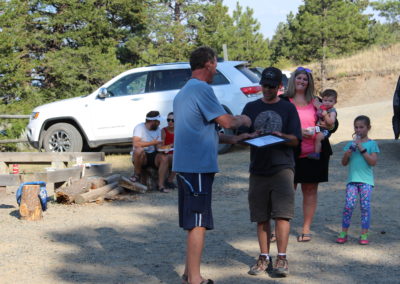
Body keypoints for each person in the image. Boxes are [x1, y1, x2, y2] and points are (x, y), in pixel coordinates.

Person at [173, 46, 252, 284]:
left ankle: (189, 273)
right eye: (216, 64)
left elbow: (203, 130)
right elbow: (226, 120)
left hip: (187, 165)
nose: (216, 69)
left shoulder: (184, 91)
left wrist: (235, 139)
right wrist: (244, 119)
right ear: (208, 64)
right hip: (197, 167)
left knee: (193, 222)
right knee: (198, 223)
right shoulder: (202, 88)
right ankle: (196, 280)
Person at [241, 67, 301, 277]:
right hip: (258, 167)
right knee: (261, 216)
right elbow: (241, 137)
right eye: (264, 85)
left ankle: (282, 258)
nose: (267, 89)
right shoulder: (250, 107)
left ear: (279, 87)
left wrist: (281, 135)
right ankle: (264, 257)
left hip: (282, 167)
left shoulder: (288, 108)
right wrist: (251, 135)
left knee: (282, 215)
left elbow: (296, 139)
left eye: (271, 86)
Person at [284, 67, 338, 242]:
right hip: (290, 152)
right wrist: (298, 131)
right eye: (299, 78)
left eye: (305, 79)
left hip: (315, 153)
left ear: (309, 82)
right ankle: (281, 228)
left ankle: (306, 228)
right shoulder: (284, 101)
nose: (302, 81)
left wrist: (329, 124)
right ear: (293, 80)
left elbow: (333, 125)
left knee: (310, 190)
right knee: (286, 191)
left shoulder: (317, 101)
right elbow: (277, 123)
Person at [336, 115, 379, 245]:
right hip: (352, 181)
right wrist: (346, 154)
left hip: (366, 181)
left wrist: (362, 148)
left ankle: (364, 233)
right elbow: (344, 163)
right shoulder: (350, 144)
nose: (358, 130)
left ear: (368, 128)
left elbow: (372, 162)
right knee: (349, 206)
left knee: (365, 207)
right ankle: (344, 232)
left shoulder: (372, 144)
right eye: (356, 127)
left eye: (361, 127)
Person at [131, 110, 173, 193]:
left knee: (164, 158)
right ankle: (137, 174)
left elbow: (157, 147)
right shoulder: (139, 127)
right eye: (158, 121)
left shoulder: (157, 129)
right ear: (152, 121)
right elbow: (136, 143)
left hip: (153, 154)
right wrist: (152, 143)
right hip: (142, 156)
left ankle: (161, 185)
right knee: (139, 150)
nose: (159, 123)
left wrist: (164, 148)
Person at [308, 89, 338, 160]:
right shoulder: (323, 106)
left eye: (330, 101)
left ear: (335, 102)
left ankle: (317, 154)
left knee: (318, 138)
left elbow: (331, 122)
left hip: (325, 130)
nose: (327, 103)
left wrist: (325, 116)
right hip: (319, 128)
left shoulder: (332, 111)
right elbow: (316, 103)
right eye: (325, 100)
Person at [161, 112, 176, 189]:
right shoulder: (164, 130)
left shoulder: (179, 130)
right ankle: (169, 181)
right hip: (167, 154)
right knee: (177, 159)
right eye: (168, 120)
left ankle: (169, 180)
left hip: (176, 153)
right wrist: (170, 146)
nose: (170, 122)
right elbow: (162, 146)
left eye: (173, 120)